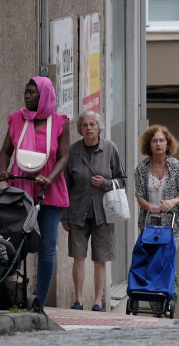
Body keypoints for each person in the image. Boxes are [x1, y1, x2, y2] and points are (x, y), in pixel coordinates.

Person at [0, 76, 70, 313]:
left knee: (47, 246)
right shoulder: (17, 119)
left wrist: (50, 178)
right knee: (16, 243)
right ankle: (9, 293)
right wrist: (2, 171)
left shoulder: (60, 122)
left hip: (50, 189)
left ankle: (38, 300)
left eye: (31, 92)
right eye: (25, 91)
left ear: (44, 96)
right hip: (21, 189)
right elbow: (5, 152)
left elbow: (64, 157)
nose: (26, 95)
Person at [62, 111, 126, 312]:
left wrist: (106, 183)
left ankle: (98, 301)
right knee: (78, 257)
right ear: (80, 129)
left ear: (99, 128)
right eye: (85, 125)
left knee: (100, 258)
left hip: (103, 213)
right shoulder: (73, 151)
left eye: (92, 125)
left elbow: (122, 180)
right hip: (78, 212)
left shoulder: (110, 148)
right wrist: (65, 216)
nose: (89, 128)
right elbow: (65, 185)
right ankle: (78, 300)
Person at [133, 124, 179, 301]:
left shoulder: (176, 167)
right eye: (154, 141)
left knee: (166, 259)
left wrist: (173, 202)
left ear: (167, 144)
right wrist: (150, 206)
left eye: (162, 140)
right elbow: (139, 196)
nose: (158, 144)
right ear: (149, 145)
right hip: (149, 222)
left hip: (172, 223)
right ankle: (152, 296)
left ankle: (169, 294)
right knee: (150, 260)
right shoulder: (142, 168)